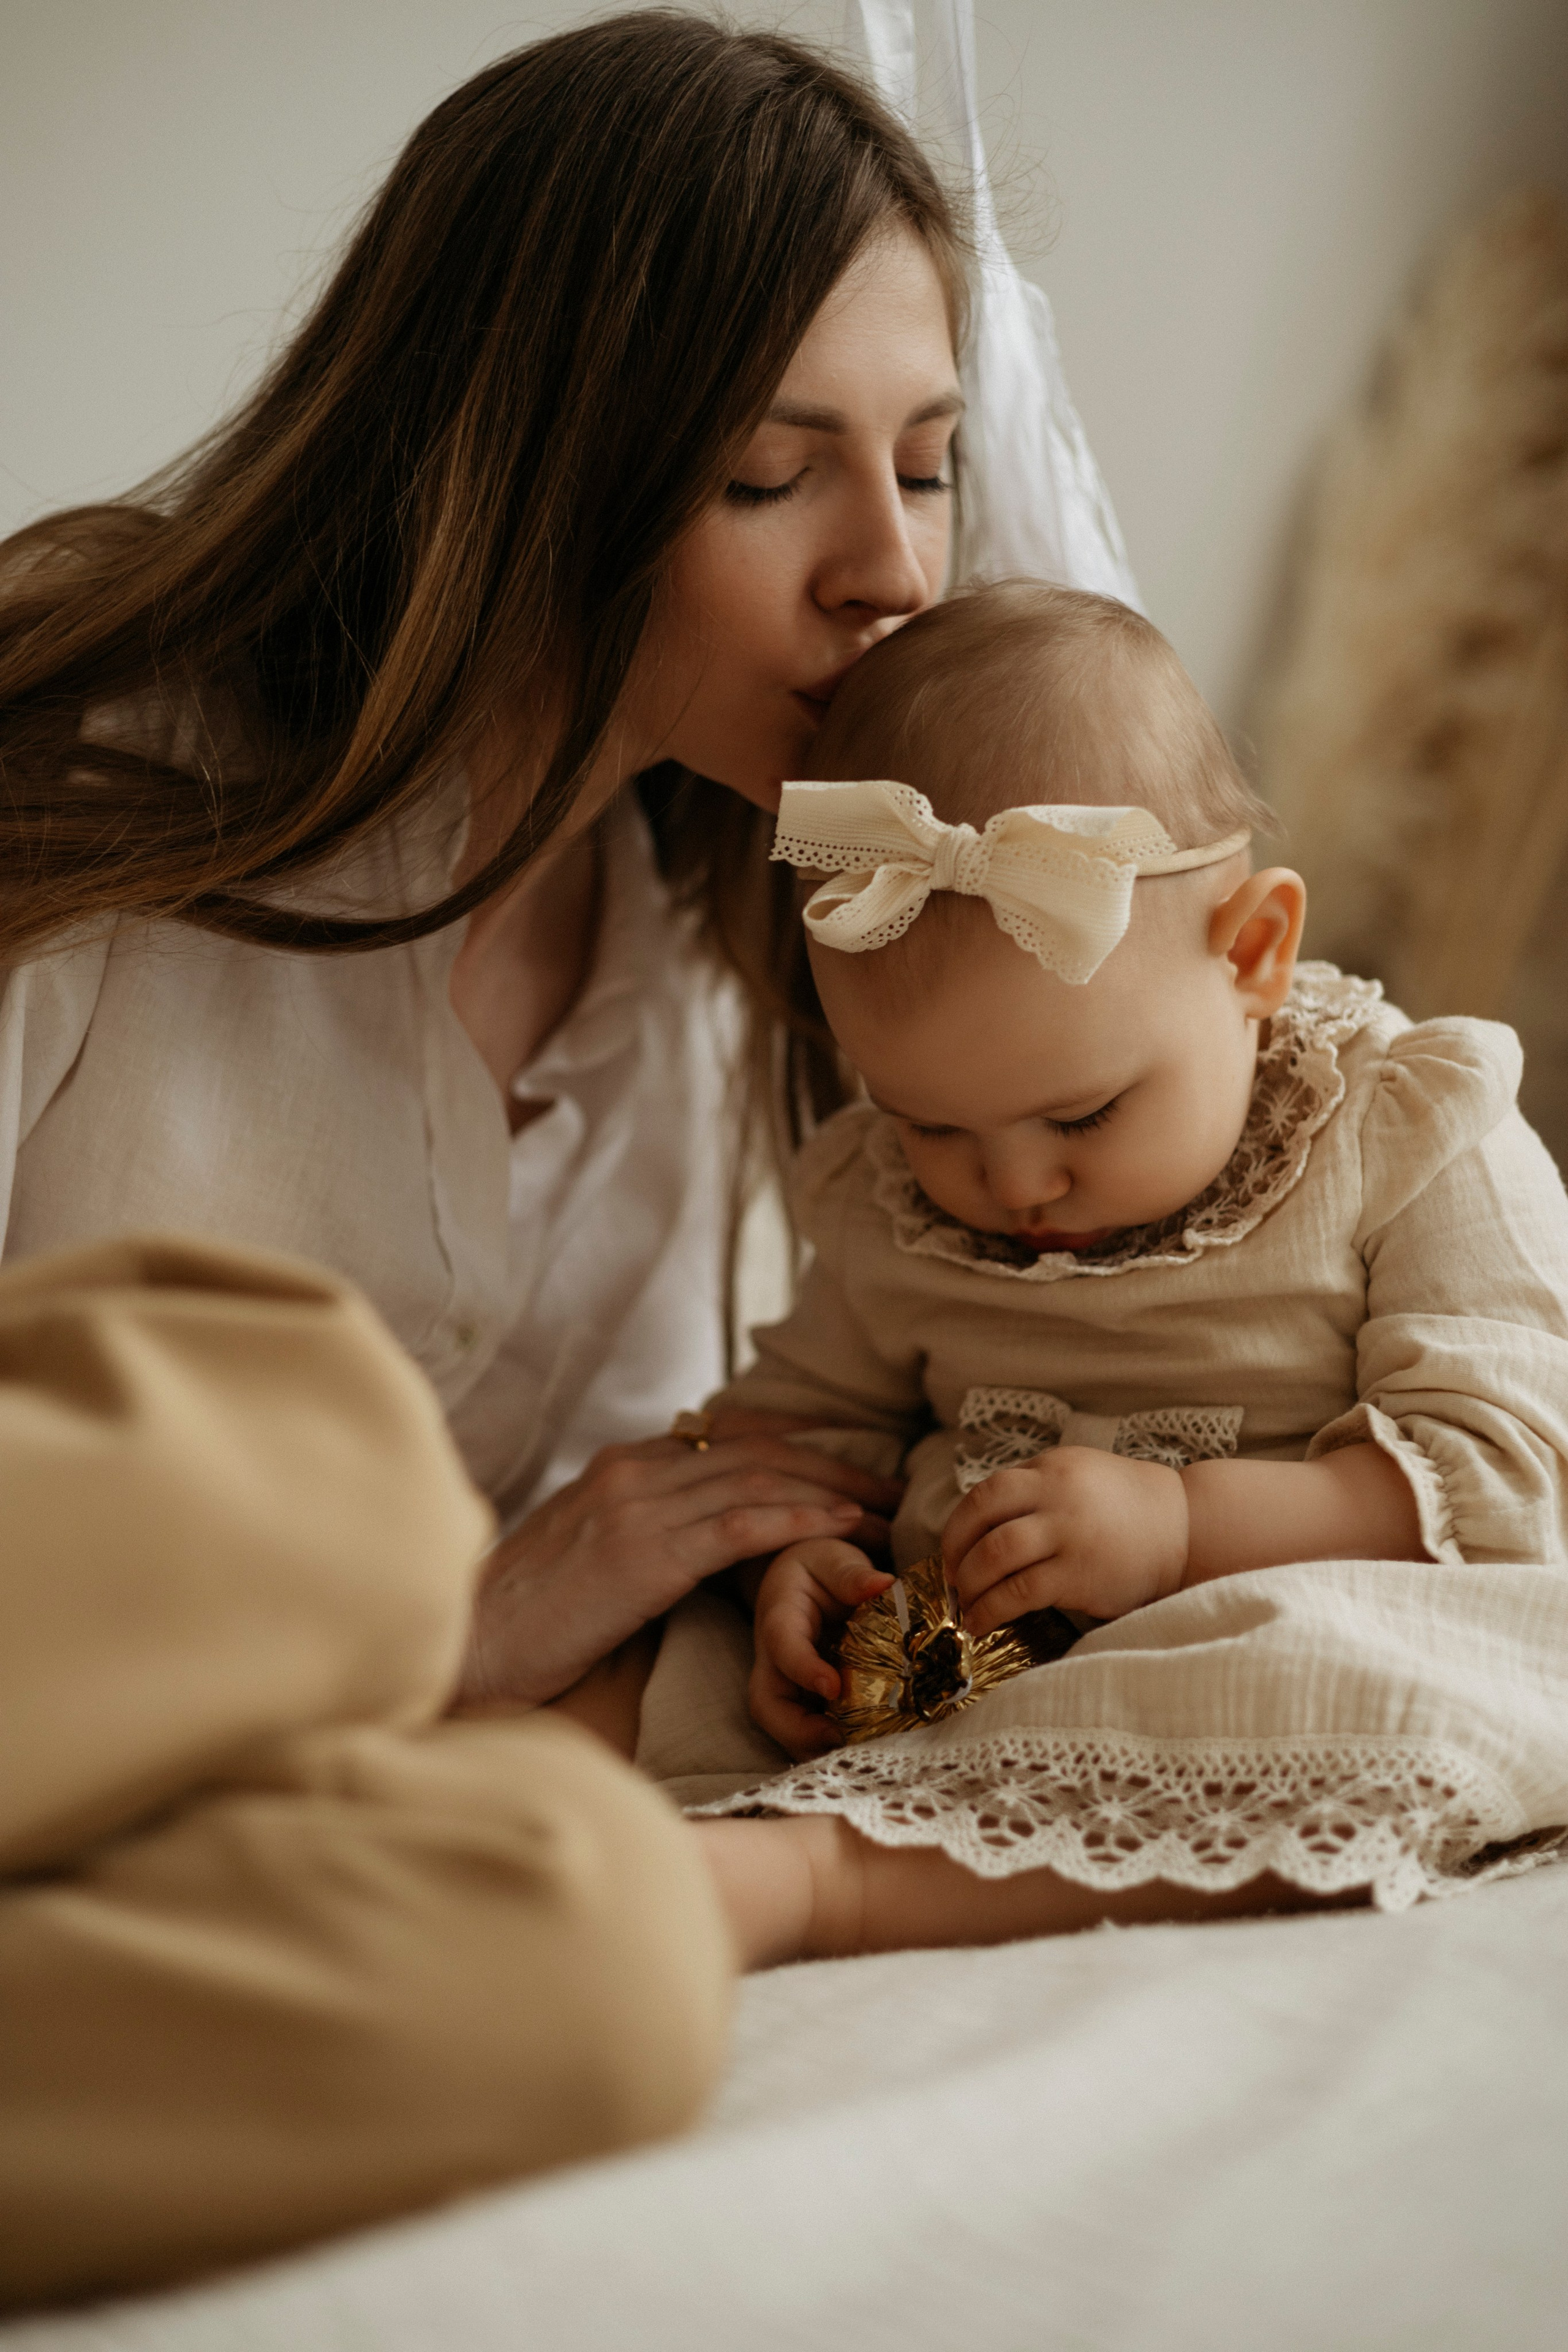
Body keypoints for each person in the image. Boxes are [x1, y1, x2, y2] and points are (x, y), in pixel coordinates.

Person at [0, 11, 938, 1710]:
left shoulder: (684, 984)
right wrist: (462, 1635)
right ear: (530, 459)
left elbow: (598, 1550)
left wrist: (746, 1568)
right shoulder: (75, 800)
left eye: (931, 466)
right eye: (769, 475)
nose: (894, 567)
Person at [658, 580, 1568, 1958]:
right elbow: (796, 1430)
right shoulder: (888, 1203)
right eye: (931, 1125)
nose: (1014, 1186)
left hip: (1262, 1643)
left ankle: (831, 1883)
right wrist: (797, 1565)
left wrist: (1183, 1531)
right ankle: (665, 1838)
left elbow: (1507, 1482)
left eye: (1081, 1118)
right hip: (968, 1678)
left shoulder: (1407, 1129)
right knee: (659, 1656)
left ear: (1252, 954)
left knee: (1399, 1681)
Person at [0, 1234, 734, 2307]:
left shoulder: (674, 1159)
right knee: (325, 1452)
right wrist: (453, 1632)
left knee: (601, 1949)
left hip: (187, 1746)